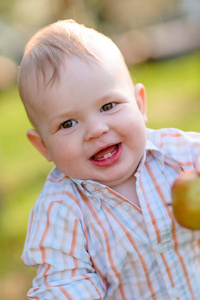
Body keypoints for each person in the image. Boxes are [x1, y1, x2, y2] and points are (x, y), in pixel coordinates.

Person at [18, 19, 200, 300]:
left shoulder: (182, 155)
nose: (96, 130)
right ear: (44, 147)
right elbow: (63, 284)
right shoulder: (60, 212)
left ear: (139, 105)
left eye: (108, 106)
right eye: (68, 124)